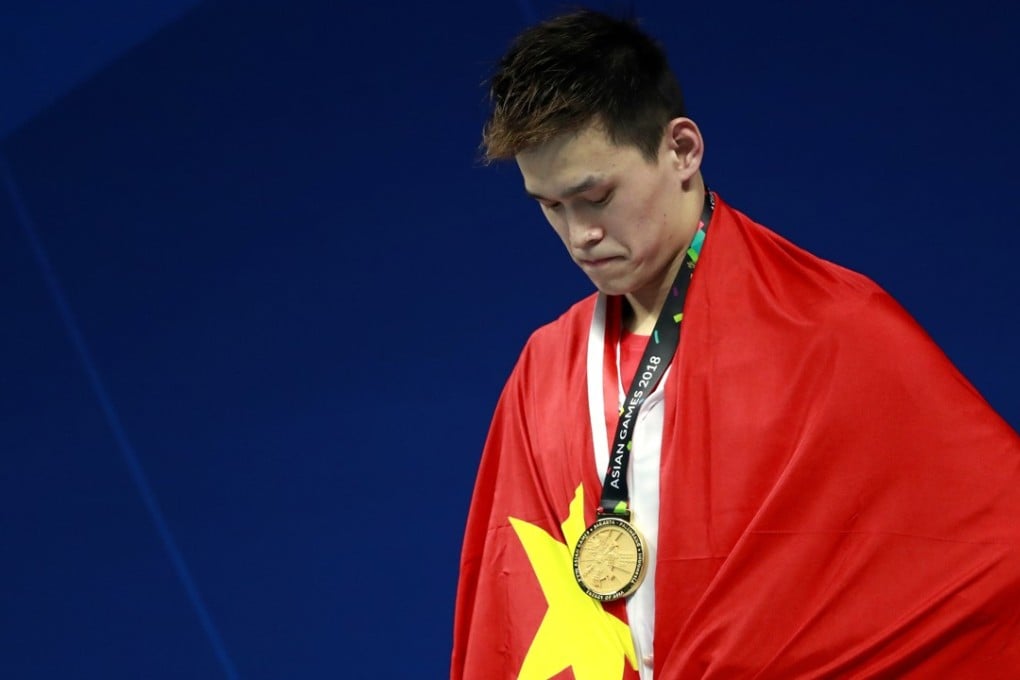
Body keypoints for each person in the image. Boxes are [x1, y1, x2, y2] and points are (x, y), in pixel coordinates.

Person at [451, 9, 1020, 679]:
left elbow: (991, 552)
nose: (580, 236)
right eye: (550, 207)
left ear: (683, 150)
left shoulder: (834, 329)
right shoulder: (544, 369)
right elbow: (511, 618)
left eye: (595, 196)